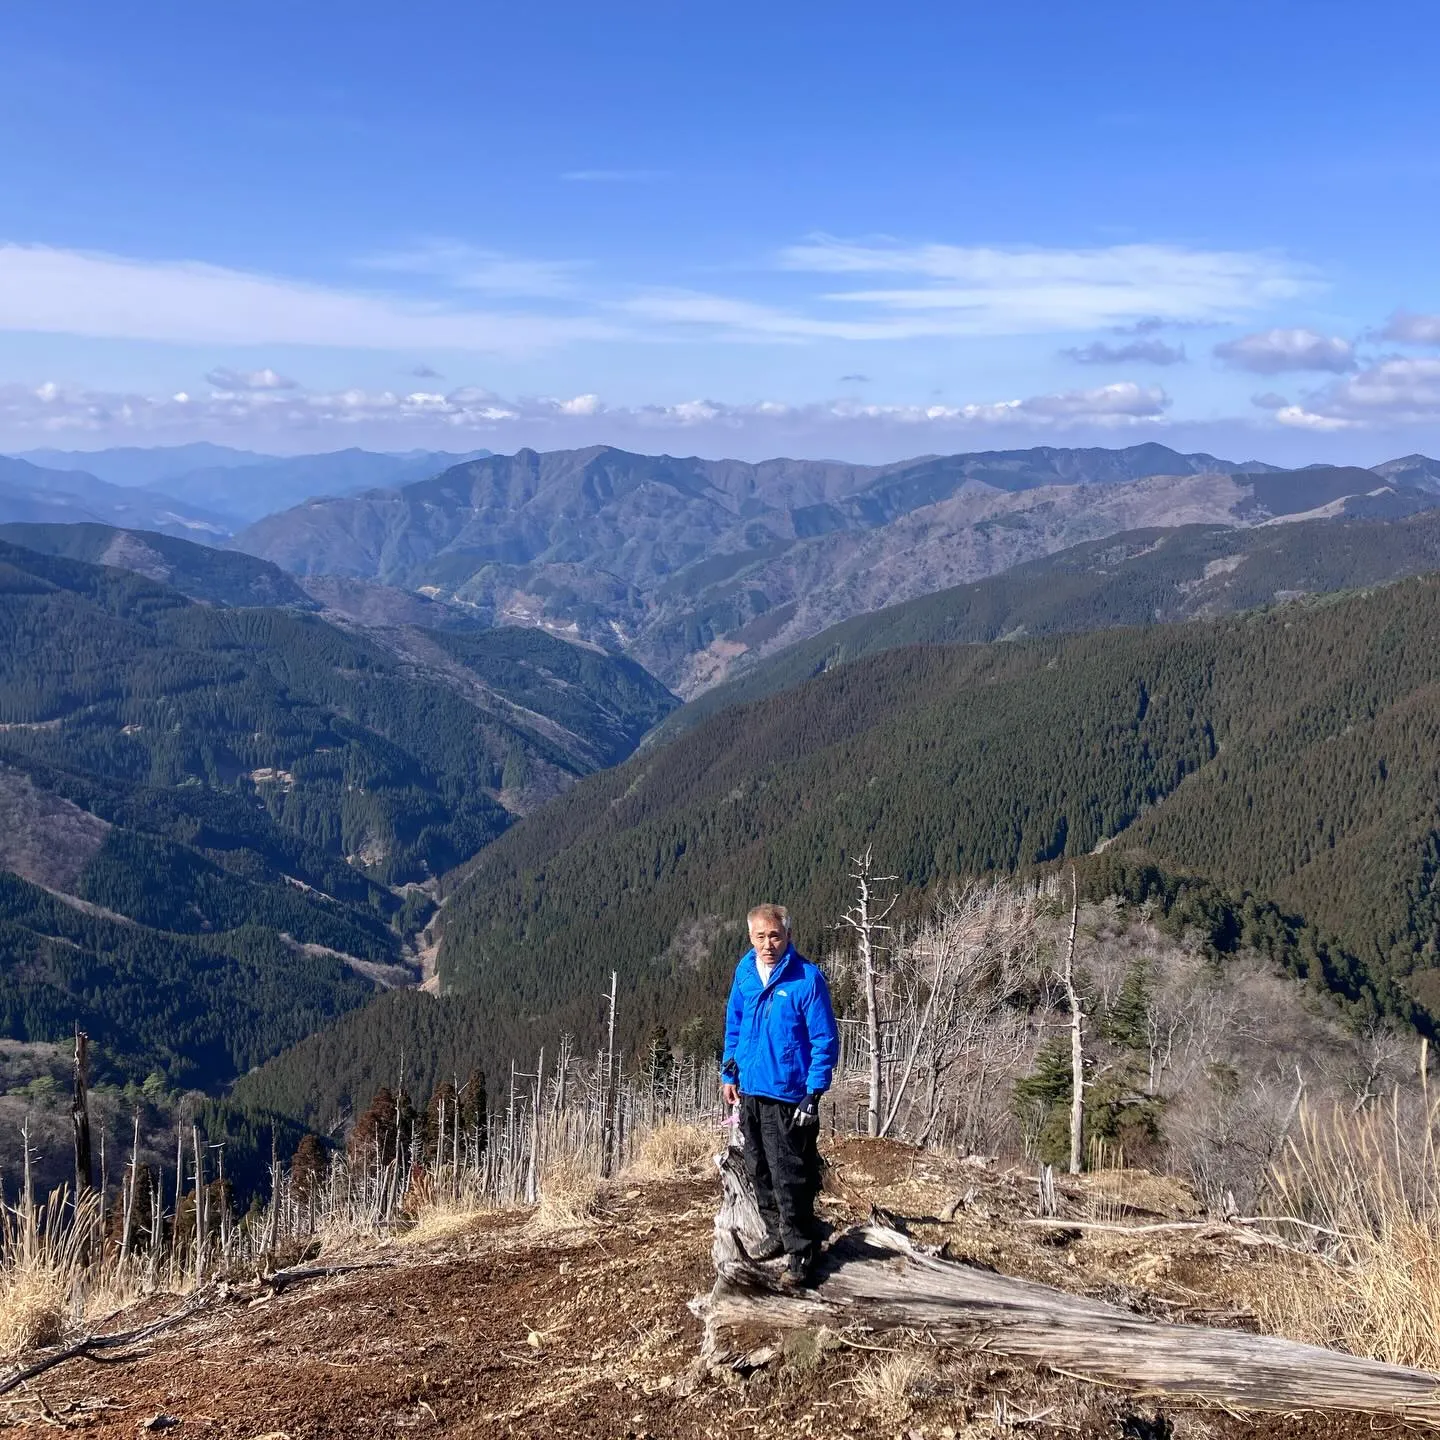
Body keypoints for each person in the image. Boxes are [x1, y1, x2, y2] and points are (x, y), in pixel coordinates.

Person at [721, 902, 839, 1285]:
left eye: (775, 935)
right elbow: (735, 1023)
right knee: (758, 1168)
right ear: (750, 937)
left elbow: (824, 1040)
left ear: (788, 935)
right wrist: (729, 1070)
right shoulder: (745, 972)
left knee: (790, 1174)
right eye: (761, 936)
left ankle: (801, 1250)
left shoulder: (806, 979)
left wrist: (813, 1093)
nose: (768, 944)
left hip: (788, 1094)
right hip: (751, 1088)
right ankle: (776, 1231)